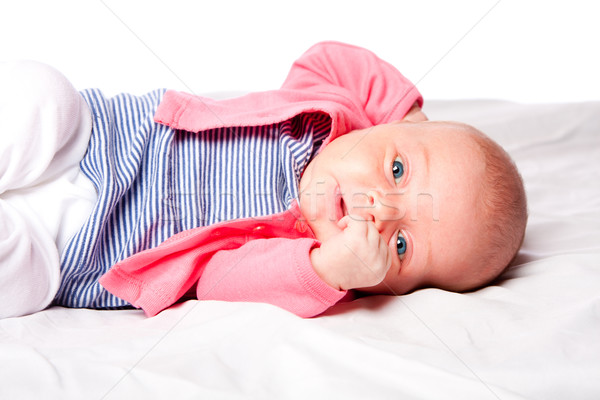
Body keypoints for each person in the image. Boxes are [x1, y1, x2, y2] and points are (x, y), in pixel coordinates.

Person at [0, 41, 527, 319]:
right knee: (40, 95)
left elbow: (221, 284)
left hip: (73, 251)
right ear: (380, 127)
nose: (381, 210)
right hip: (99, 140)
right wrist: (407, 117)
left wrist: (328, 269)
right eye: (397, 169)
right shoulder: (324, 116)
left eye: (404, 245)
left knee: (16, 283)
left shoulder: (304, 259)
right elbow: (330, 57)